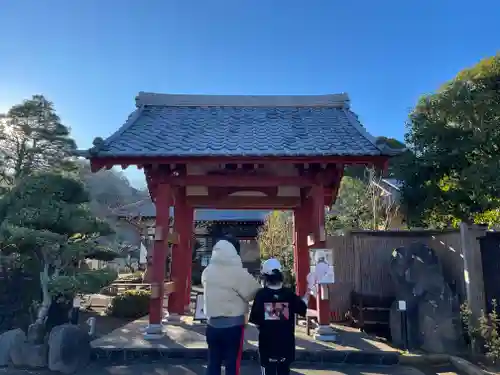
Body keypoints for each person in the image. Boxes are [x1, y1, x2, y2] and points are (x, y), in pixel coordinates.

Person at [202, 236, 261, 375]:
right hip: (233, 326)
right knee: (232, 364)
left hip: (211, 325)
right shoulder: (237, 273)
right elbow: (253, 292)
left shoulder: (207, 271)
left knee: (213, 363)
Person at [249, 258, 307, 375]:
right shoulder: (289, 294)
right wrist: (310, 289)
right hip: (286, 344)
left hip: (267, 344)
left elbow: (255, 320)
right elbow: (302, 308)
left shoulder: (261, 295)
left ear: (265, 277)